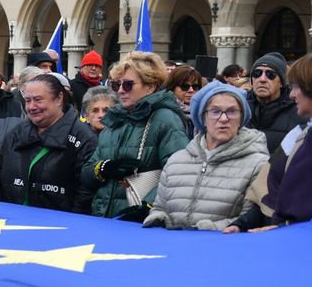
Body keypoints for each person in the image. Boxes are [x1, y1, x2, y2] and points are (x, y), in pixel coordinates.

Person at [229, 51, 312, 231]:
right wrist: (243, 224)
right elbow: (272, 189)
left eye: (297, 87)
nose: (292, 95)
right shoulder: (300, 133)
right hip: (288, 243)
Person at [142, 81, 268, 230]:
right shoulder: (176, 161)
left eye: (232, 111)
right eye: (215, 111)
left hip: (220, 248)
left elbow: (248, 220)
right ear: (203, 118)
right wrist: (158, 219)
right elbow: (159, 208)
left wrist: (207, 229)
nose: (223, 118)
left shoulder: (258, 164)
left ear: (242, 119)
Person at [82, 51, 189, 220]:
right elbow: (86, 174)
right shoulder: (114, 120)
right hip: (104, 219)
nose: (121, 91)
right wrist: (103, 168)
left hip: (139, 224)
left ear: (150, 86)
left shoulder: (165, 119)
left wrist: (147, 206)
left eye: (128, 85)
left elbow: (181, 174)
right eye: (117, 85)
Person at [0, 74, 98, 212]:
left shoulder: (84, 138)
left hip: (57, 227)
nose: (31, 107)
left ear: (59, 99)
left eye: (38, 100)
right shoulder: (16, 133)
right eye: (28, 100)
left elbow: (86, 191)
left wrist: (72, 222)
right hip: (12, 221)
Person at [244, 52, 304, 153]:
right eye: (257, 73)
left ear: (281, 82)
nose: (262, 79)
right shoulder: (240, 110)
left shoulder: (299, 113)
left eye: (270, 74)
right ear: (251, 80)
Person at [162, 64, 204, 138]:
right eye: (184, 86)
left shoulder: (205, 112)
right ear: (172, 88)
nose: (191, 90)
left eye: (195, 87)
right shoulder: (164, 114)